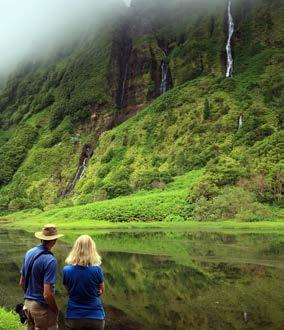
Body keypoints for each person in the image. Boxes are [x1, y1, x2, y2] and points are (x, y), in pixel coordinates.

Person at [19, 224, 63, 330]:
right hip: (41, 308)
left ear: (41, 239)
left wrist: (30, 298)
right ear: (54, 240)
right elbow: (47, 294)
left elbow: (21, 282)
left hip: (27, 305)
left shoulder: (29, 252)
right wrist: (55, 310)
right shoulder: (50, 260)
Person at [63, 235, 105, 330]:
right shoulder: (97, 270)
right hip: (96, 316)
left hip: (74, 316)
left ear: (75, 249)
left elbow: (68, 290)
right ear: (92, 249)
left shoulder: (67, 270)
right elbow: (101, 290)